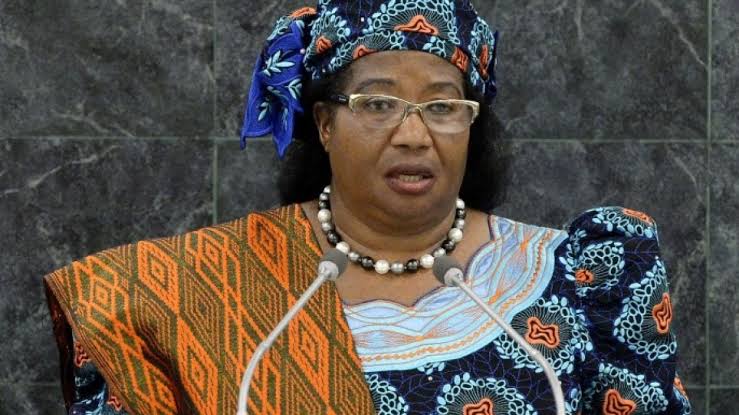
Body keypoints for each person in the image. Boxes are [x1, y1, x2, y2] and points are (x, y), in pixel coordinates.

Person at [44, 1, 692, 414]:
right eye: (377, 104)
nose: (413, 134)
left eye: (442, 105)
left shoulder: (582, 276)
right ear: (325, 125)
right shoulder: (198, 291)